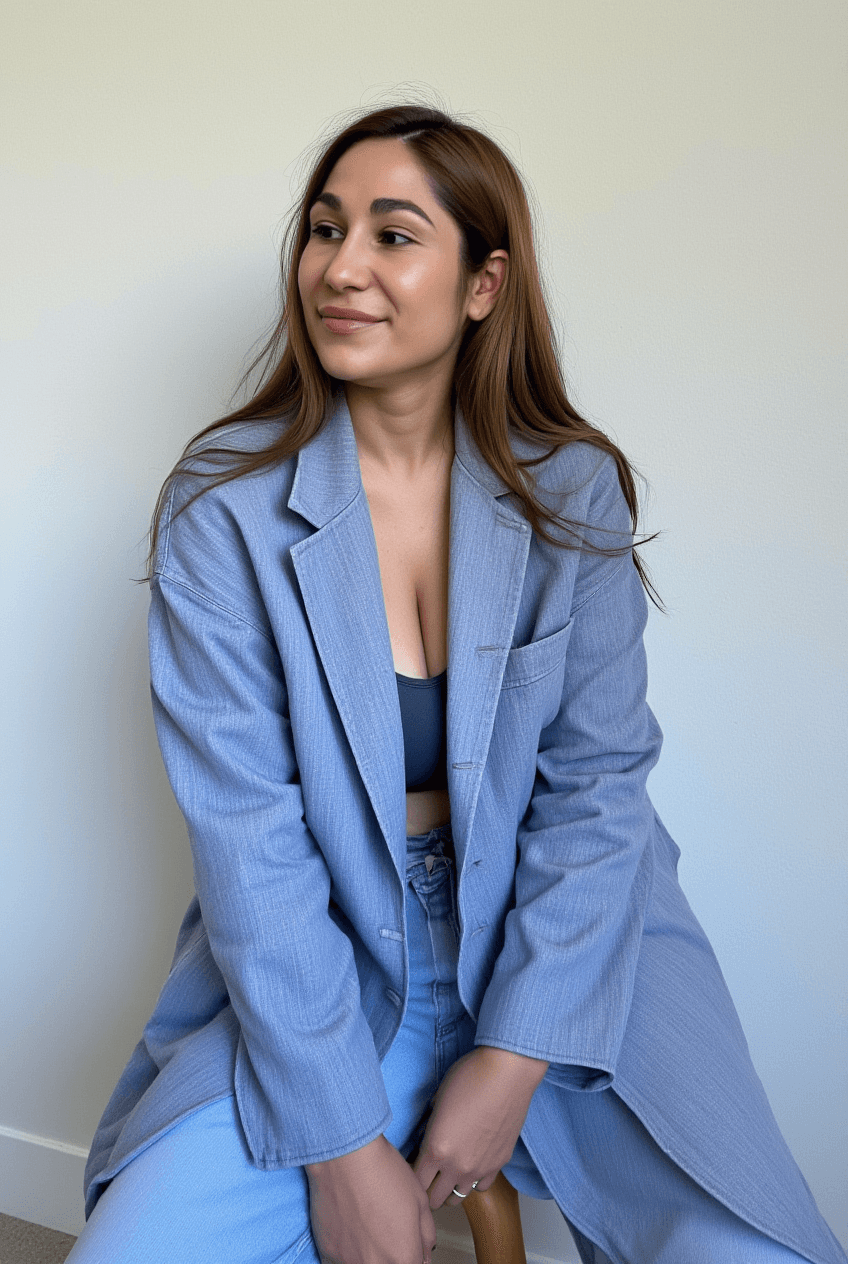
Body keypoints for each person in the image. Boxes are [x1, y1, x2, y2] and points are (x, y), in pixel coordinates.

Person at [68, 104, 846, 1264]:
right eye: (323, 229)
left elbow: (598, 788)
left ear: (483, 285)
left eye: (392, 235)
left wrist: (517, 1052)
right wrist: (340, 1151)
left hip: (572, 941)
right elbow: (249, 845)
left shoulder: (568, 489)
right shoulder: (220, 507)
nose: (340, 267)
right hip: (326, 957)